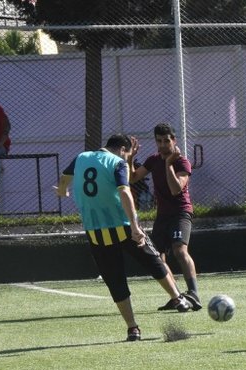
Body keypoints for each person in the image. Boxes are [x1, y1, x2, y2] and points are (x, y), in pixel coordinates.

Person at [55, 134, 192, 342]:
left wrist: (63, 190)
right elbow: (126, 193)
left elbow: (64, 178)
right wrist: (136, 227)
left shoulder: (81, 157)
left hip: (94, 231)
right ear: (122, 149)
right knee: (153, 260)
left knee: (115, 279)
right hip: (122, 226)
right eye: (128, 154)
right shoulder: (117, 162)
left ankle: (133, 328)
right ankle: (178, 298)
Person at [129, 123, 202, 311]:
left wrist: (169, 163)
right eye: (159, 141)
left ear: (174, 140)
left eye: (166, 140)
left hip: (180, 213)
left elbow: (176, 189)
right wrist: (130, 159)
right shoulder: (153, 160)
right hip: (163, 216)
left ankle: (193, 293)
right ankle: (178, 297)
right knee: (157, 257)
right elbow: (133, 178)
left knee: (179, 250)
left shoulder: (181, 162)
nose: (162, 145)